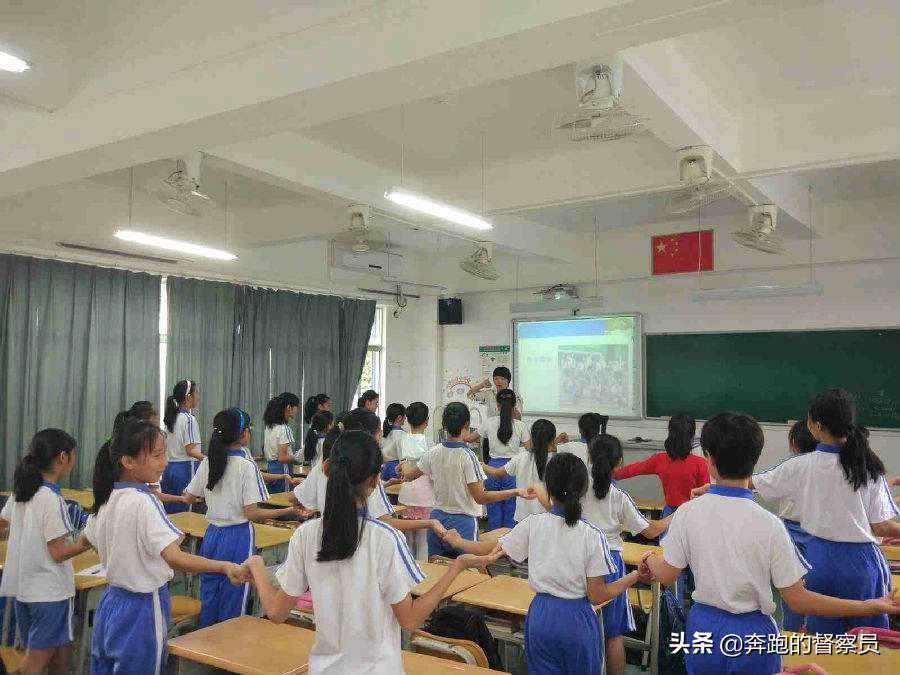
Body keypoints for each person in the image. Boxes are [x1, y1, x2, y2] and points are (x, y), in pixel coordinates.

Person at [644, 410, 900, 675]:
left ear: (708, 459)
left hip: (704, 631)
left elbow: (666, 574)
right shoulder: (771, 525)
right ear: (755, 458)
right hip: (754, 635)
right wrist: (869, 605)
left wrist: (649, 560)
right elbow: (798, 600)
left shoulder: (688, 513)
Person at [242, 430, 499, 674]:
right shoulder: (385, 538)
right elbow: (410, 620)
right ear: (376, 481)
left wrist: (256, 564)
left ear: (326, 468)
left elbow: (276, 613)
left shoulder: (306, 534)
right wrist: (456, 567)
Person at [447, 452, 650, 674]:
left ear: (549, 489)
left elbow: (491, 547)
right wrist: (634, 576)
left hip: (540, 616)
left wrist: (459, 542)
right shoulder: (593, 535)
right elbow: (597, 596)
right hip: (577, 620)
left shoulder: (533, 524)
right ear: (583, 491)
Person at [87, 419, 244, 674]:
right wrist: (224, 566)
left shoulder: (106, 498)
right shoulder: (144, 502)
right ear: (128, 461)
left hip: (111, 601)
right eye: (157, 455)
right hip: (142, 607)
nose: (165, 462)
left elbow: (94, 542)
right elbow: (175, 557)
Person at [750, 389, 900, 634]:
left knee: (825, 641)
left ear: (816, 426)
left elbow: (752, 482)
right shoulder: (869, 468)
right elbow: (881, 526)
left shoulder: (800, 466)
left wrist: (709, 487)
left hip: (819, 560)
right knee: (870, 637)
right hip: (861, 563)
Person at [183, 408, 300, 627]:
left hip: (211, 535)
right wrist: (286, 511)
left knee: (209, 594)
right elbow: (252, 513)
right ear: (244, 433)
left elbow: (189, 496)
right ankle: (227, 642)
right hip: (237, 537)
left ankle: (205, 641)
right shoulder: (246, 466)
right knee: (233, 598)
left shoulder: (208, 461)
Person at [0, 430, 91, 675]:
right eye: (73, 455)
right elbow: (58, 552)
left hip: (25, 590)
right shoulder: (51, 498)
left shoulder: (23, 491)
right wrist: (88, 541)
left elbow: (2, 523)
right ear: (63, 457)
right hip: (50, 593)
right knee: (35, 666)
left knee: (58, 655)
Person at [581, 434, 670, 675]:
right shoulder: (619, 497)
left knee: (583, 627)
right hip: (609, 563)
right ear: (619, 462)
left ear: (589, 457)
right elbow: (651, 531)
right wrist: (676, 515)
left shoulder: (577, 488)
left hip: (578, 558)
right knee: (613, 633)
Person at [398, 402, 532, 557]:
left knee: (439, 566)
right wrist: (515, 492)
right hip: (463, 522)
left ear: (444, 425)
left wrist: (404, 464)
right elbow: (481, 497)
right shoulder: (468, 457)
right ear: (467, 424)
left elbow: (409, 476)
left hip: (437, 520)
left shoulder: (433, 453)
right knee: (468, 567)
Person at [483, 418, 554, 524]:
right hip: (546, 517)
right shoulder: (556, 461)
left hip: (522, 517)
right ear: (552, 440)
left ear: (532, 437)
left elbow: (497, 472)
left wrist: (481, 465)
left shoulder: (521, 457)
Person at [480, 389, 530, 529]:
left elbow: (470, 438)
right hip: (512, 470)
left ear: (497, 406)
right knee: (511, 509)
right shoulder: (521, 426)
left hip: (492, 469)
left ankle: (493, 539)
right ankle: (509, 540)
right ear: (514, 407)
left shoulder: (488, 422)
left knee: (493, 508)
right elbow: (530, 448)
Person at [396, 402, 435, 561]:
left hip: (406, 495)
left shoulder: (402, 440)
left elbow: (402, 466)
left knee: (408, 541)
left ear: (407, 420)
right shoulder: (430, 444)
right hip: (425, 496)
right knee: (423, 541)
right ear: (427, 421)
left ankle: (408, 572)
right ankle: (422, 573)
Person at [161, 379, 203, 513]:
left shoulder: (172, 419)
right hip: (185, 469)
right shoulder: (189, 419)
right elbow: (190, 451)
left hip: (169, 468)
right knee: (186, 511)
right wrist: (209, 459)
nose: (198, 397)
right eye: (197, 393)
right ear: (188, 397)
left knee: (171, 511)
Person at [380, 403, 407, 481]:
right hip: (396, 470)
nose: (405, 418)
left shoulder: (385, 433)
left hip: (384, 470)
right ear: (399, 417)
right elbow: (402, 457)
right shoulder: (402, 434)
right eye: (404, 416)